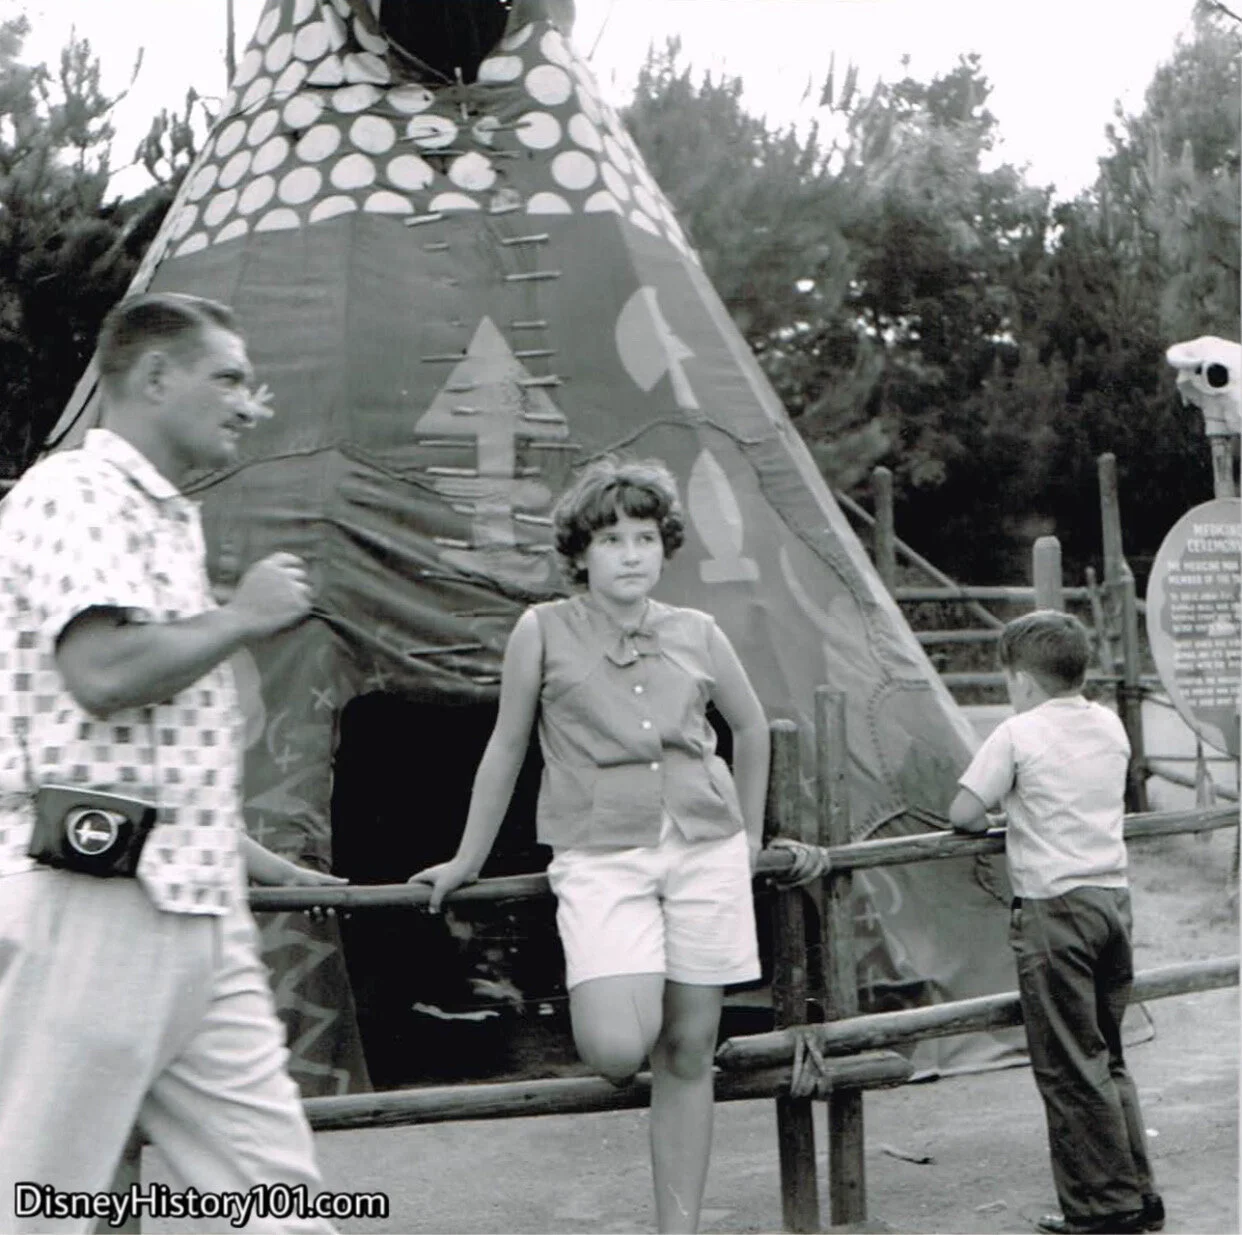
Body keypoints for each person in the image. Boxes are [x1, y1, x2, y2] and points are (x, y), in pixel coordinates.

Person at [0, 293, 345, 1233]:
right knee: (43, 1202)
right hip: (93, 891)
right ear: (155, 378)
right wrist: (241, 616)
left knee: (278, 1202)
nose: (251, 401)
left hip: (193, 906)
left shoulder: (165, 521)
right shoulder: (71, 495)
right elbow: (102, 673)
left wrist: (260, 862)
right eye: (228, 376)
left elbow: (152, 751)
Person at [410, 456, 816, 1234]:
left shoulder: (696, 632)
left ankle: (679, 1228)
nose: (631, 553)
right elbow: (506, 747)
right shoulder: (543, 631)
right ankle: (628, 974)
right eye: (611, 539)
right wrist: (466, 857)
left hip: (705, 850)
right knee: (616, 1047)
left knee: (691, 1051)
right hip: (602, 856)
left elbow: (752, 726)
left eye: (644, 537)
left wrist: (751, 838)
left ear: (664, 546)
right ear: (581, 554)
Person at [948, 610, 1163, 1235]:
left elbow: (964, 810)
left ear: (1022, 680)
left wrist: (1005, 812)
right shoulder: (1110, 725)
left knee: (1069, 1065)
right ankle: (1138, 1194)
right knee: (1107, 1054)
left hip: (1055, 908)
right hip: (1111, 902)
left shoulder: (1018, 734)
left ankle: (1103, 1208)